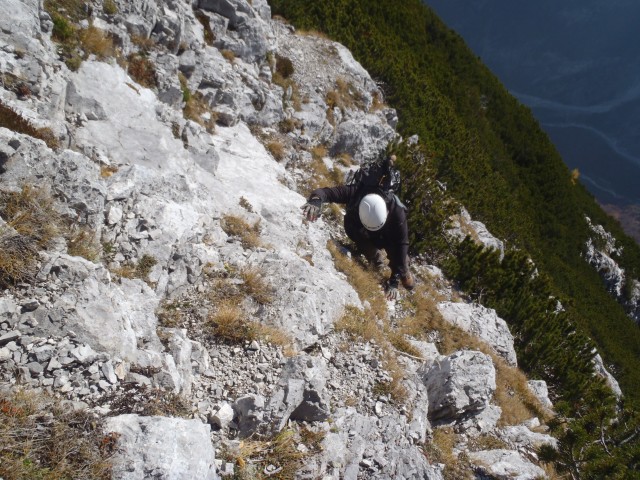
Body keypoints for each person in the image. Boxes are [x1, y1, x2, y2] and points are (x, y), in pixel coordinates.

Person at [302, 154, 415, 300]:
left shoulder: (397, 212)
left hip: (388, 237)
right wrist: (316, 201)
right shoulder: (355, 192)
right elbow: (326, 193)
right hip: (360, 230)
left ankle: (405, 273)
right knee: (357, 235)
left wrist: (394, 281)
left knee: (402, 260)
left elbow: (402, 244)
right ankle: (376, 261)